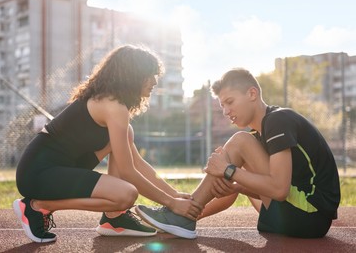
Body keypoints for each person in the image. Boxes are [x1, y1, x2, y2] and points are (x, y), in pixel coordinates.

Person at [13, 44, 202, 243]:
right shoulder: (112, 106)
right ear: (133, 74)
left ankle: (114, 219)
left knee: (126, 135)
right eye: (150, 74)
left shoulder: (115, 107)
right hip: (38, 173)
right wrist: (171, 203)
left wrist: (174, 194)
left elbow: (135, 163)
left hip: (60, 169)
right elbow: (128, 172)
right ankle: (37, 206)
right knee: (126, 194)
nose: (155, 80)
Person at [136, 68, 341, 239]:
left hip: (310, 215)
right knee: (234, 159)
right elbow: (269, 188)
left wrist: (228, 170)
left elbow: (279, 189)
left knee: (239, 143)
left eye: (230, 102)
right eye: (222, 105)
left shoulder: (278, 120)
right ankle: (184, 217)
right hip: (299, 216)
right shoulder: (259, 133)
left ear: (252, 94)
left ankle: (182, 215)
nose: (225, 111)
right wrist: (235, 185)